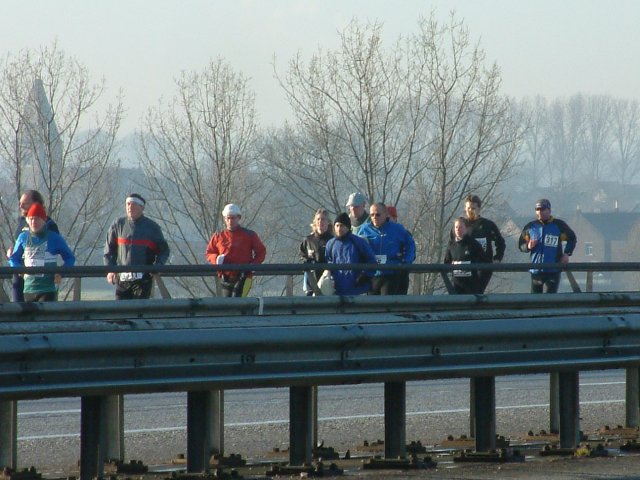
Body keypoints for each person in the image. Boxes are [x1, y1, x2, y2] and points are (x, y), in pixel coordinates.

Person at [104, 193, 170, 300]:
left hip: (143, 280)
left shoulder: (152, 228)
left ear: (142, 208)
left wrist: (157, 266)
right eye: (128, 204)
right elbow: (109, 250)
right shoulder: (118, 225)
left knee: (139, 312)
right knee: (120, 313)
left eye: (134, 204)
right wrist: (110, 269)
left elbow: (164, 251)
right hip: (122, 280)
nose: (130, 207)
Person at [8, 203, 75, 302]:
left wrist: (61, 272)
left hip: (47, 289)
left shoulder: (54, 237)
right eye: (31, 218)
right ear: (27, 220)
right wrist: (19, 270)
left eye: (37, 218)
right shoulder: (23, 237)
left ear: (44, 220)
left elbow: (70, 258)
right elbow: (13, 258)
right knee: (30, 317)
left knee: (44, 317)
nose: (34, 221)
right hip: (29, 289)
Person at [7, 190, 59, 302]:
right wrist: (12, 254)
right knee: (17, 310)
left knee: (40, 314)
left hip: (39, 280)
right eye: (20, 203)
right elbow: (18, 247)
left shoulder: (49, 225)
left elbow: (55, 249)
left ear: (36, 204)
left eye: (25, 203)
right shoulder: (21, 222)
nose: (20, 206)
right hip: (20, 275)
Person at [206, 203, 266, 297]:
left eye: (233, 218)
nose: (230, 221)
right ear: (225, 219)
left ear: (239, 218)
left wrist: (253, 265)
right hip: (226, 277)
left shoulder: (249, 235)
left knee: (239, 301)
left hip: (245, 276)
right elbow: (210, 252)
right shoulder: (218, 236)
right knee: (228, 305)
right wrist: (216, 260)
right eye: (228, 218)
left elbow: (261, 251)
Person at [518, 198, 577, 294]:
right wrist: (528, 246)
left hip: (553, 270)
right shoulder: (530, 227)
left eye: (543, 209)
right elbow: (521, 245)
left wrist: (567, 253)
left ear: (549, 210)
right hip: (536, 271)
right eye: (537, 209)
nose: (540, 212)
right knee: (535, 300)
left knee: (550, 299)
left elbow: (572, 238)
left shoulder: (558, 225)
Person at [356, 202, 416, 295]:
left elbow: (410, 245)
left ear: (385, 214)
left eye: (378, 214)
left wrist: (406, 262)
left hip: (391, 273)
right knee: (372, 306)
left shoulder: (397, 229)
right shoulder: (364, 230)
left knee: (387, 303)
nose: (374, 217)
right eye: (372, 215)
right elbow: (355, 248)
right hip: (372, 274)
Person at [461, 194, 506, 293]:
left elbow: (500, 242)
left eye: (473, 208)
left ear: (479, 209)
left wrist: (497, 258)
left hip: (483, 267)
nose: (470, 211)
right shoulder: (460, 225)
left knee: (477, 292)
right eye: (468, 208)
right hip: (464, 266)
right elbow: (452, 245)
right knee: (462, 295)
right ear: (465, 208)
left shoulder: (487, 225)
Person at [324, 212, 377, 295]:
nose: (339, 228)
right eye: (337, 226)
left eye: (342, 225)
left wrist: (364, 276)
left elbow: (372, 261)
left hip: (358, 290)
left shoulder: (358, 242)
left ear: (348, 227)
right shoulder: (330, 244)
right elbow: (328, 262)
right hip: (337, 290)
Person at [444, 217, 488, 294]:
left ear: (466, 229)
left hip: (471, 285)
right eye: (456, 227)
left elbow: (483, 261)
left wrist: (466, 265)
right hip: (456, 285)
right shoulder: (451, 245)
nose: (458, 229)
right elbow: (446, 264)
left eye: (460, 227)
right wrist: (453, 266)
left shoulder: (473, 244)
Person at [299, 208, 333, 295]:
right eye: (318, 219)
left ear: (328, 222)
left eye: (323, 219)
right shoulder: (308, 240)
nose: (320, 222)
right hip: (312, 283)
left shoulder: (333, 240)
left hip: (328, 283)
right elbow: (302, 256)